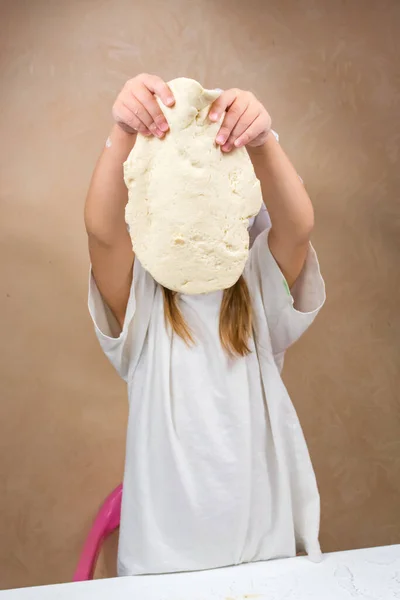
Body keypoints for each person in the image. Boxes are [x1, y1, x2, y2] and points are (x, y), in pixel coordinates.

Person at [85, 73, 326, 576]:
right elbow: (103, 232)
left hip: (259, 552)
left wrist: (261, 143)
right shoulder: (144, 300)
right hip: (161, 563)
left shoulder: (255, 287)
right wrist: (122, 135)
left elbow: (297, 226)